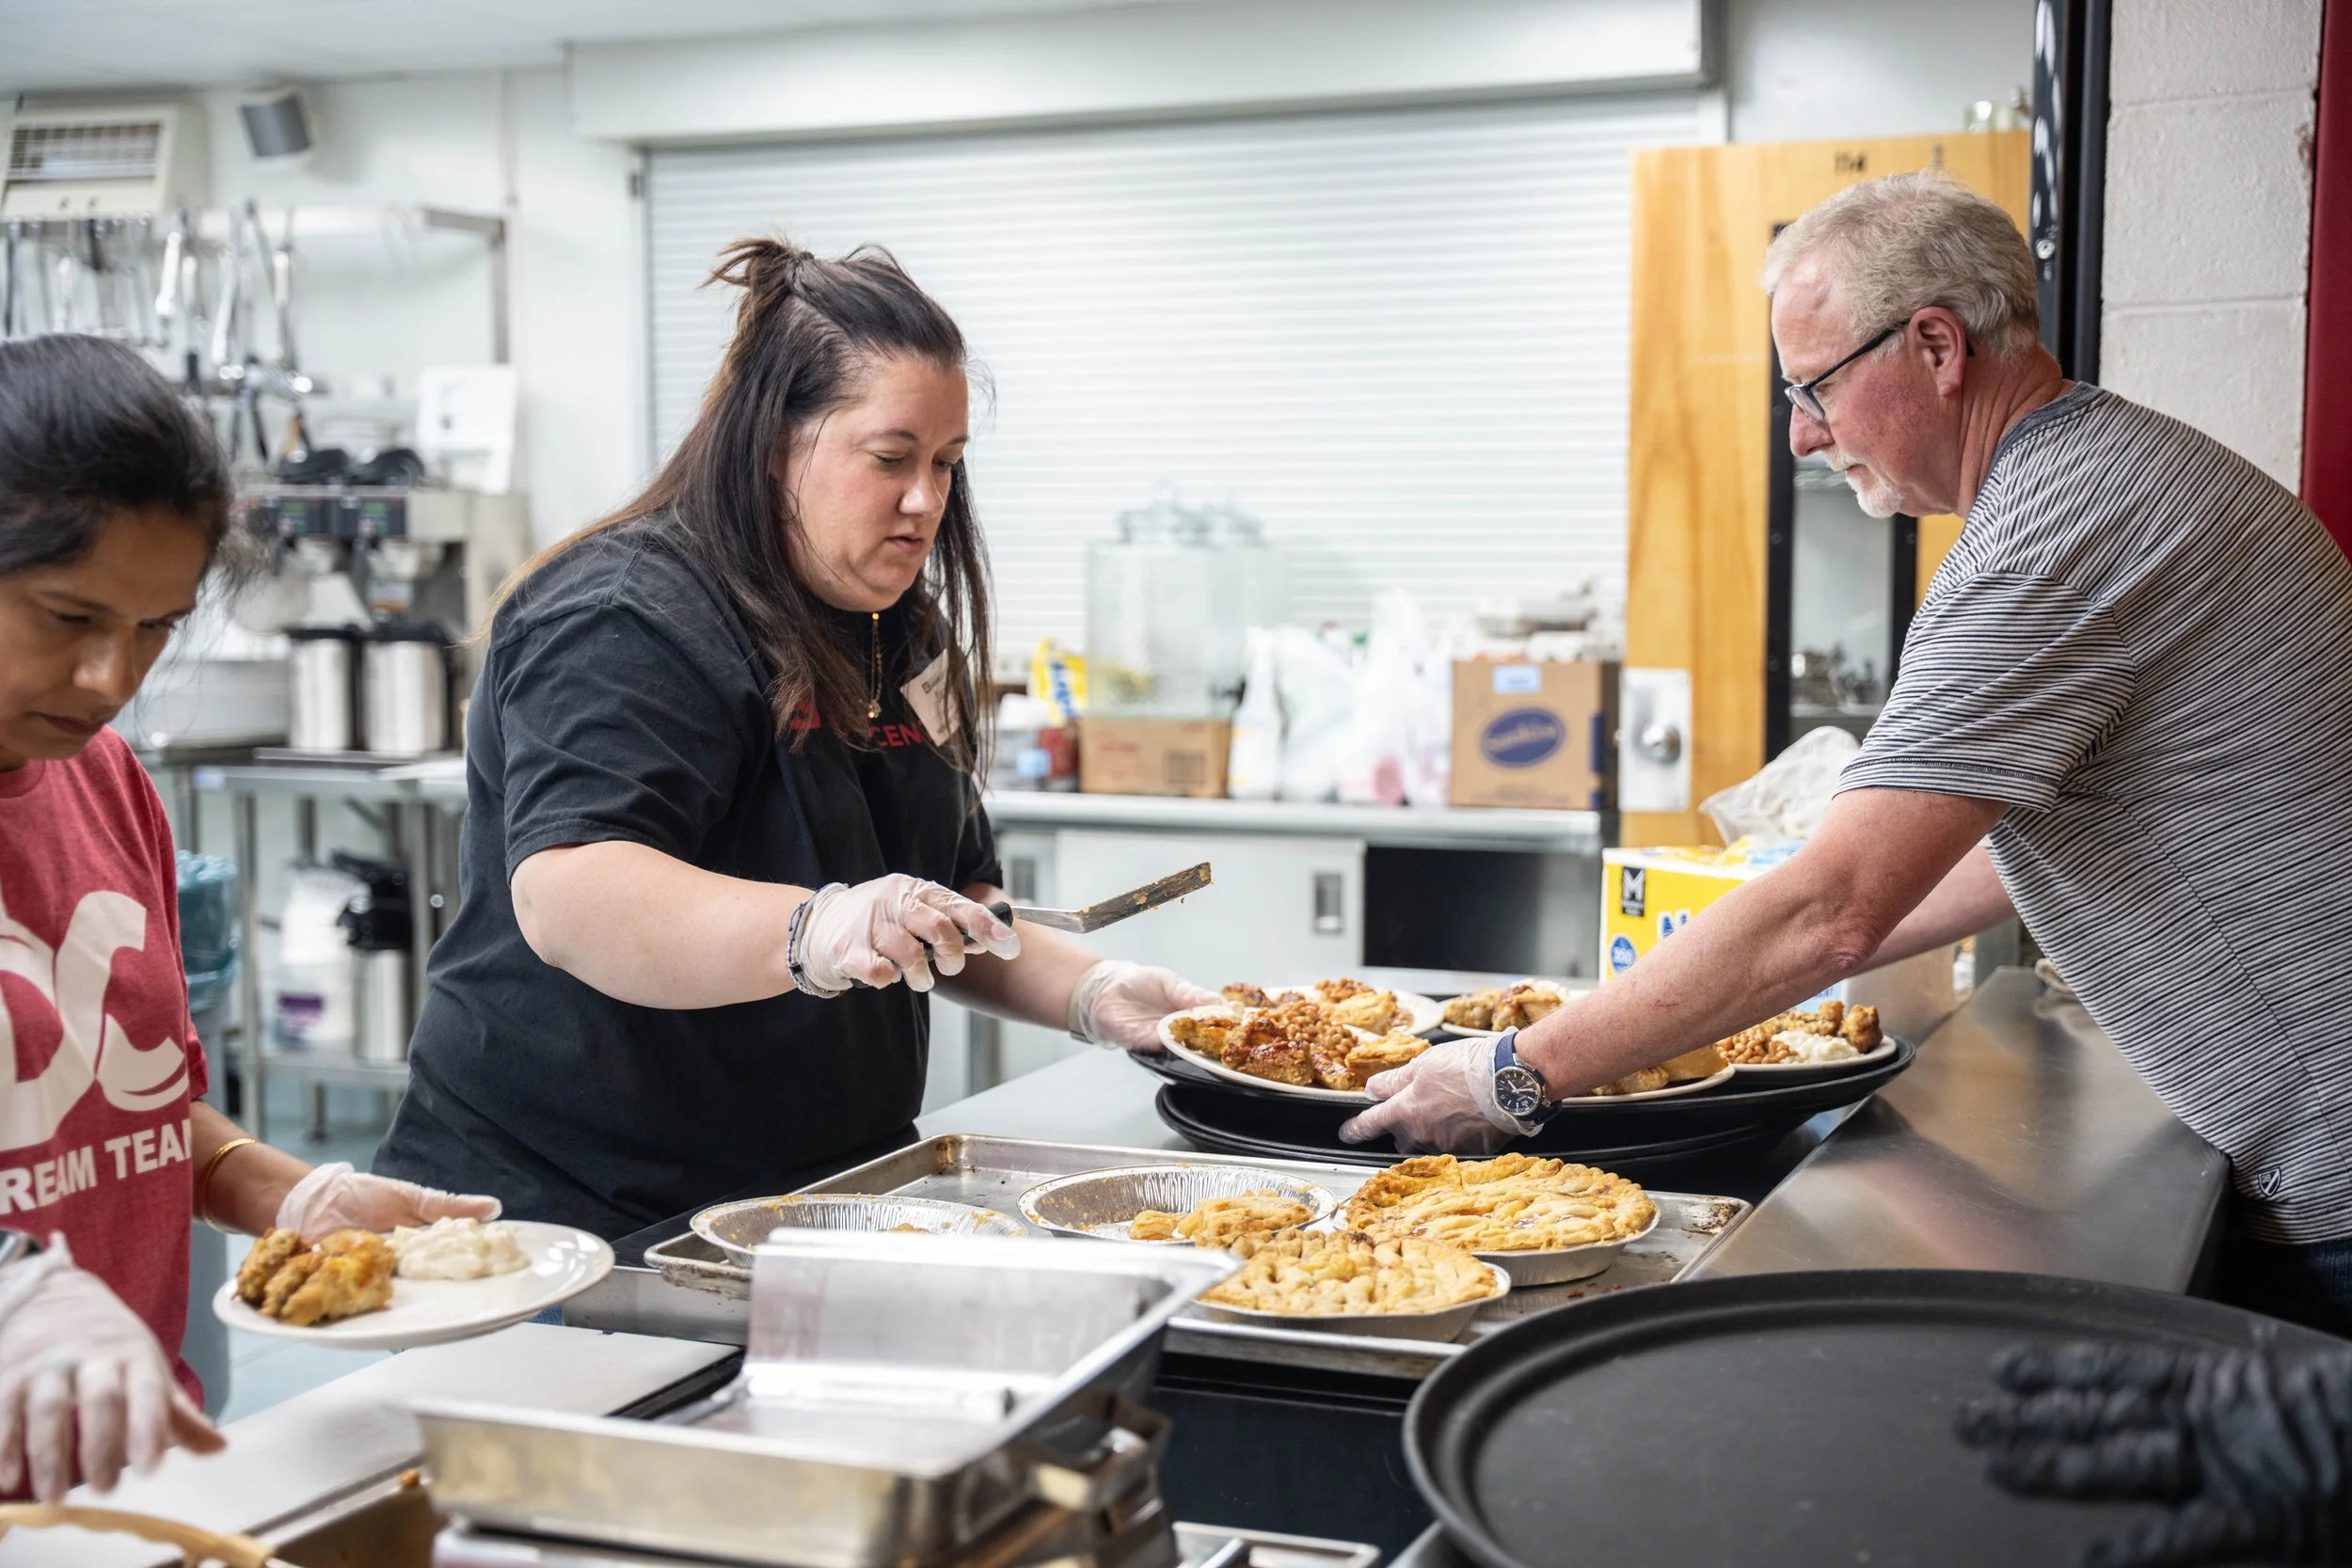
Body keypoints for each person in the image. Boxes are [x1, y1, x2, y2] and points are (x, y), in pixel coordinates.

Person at [1343, 169, 2352, 1336]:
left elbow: (1834, 909)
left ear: (1934, 345)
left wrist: (1513, 1072)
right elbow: (1968, 856)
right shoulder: (2117, 472)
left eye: (1814, 386)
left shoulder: (2049, 539)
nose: (1800, 433)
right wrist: (1694, 996)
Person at [373, 239, 1216, 1237]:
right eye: (891, 458)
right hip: (573, 1212)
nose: (927, 501)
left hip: (810, 1194)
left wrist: (1098, 993)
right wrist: (816, 929)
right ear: (775, 439)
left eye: (946, 464)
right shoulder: (625, 616)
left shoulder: (900, 633)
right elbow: (572, 895)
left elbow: (956, 913)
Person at [0, 334, 502, 1501]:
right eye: (68, 616)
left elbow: (125, 1112)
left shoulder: (105, 782)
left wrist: (287, 1193)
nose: (108, 676)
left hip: (131, 1468)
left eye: (155, 627)